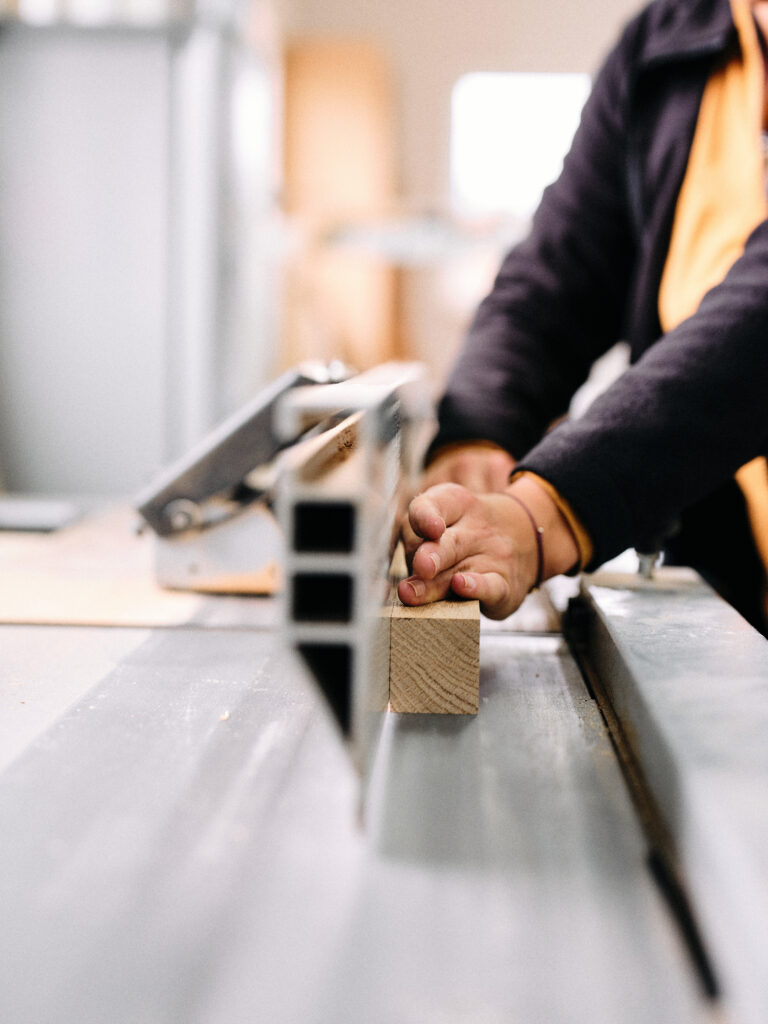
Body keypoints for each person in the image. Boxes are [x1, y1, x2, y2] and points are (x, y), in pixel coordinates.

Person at [398, 0, 768, 635]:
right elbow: (556, 275)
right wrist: (478, 437)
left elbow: (751, 333)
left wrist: (548, 513)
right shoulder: (665, 43)